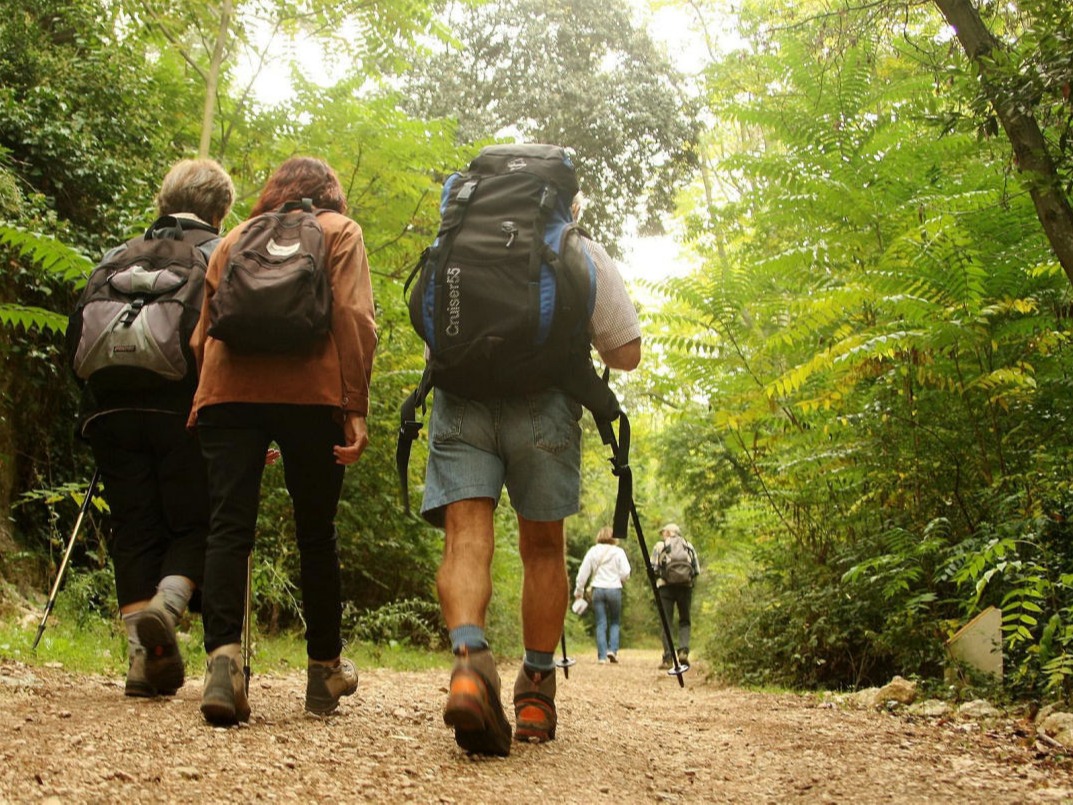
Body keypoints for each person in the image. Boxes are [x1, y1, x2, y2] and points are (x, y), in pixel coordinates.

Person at [420, 183, 642, 756]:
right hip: (544, 411)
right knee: (543, 547)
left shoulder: (456, 240)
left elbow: (430, 326)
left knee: (465, 540)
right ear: (567, 202)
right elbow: (625, 351)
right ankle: (537, 694)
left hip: (460, 403)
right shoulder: (576, 248)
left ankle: (469, 664)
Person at [189, 156, 377, 725]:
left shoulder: (236, 237)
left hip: (229, 391)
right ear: (331, 194)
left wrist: (215, 400)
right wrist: (355, 407)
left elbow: (203, 333)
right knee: (316, 531)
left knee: (227, 524)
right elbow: (353, 319)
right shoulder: (340, 231)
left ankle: (222, 663)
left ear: (274, 193)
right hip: (313, 394)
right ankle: (323, 672)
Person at [73, 159, 234, 698]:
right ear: (220, 210)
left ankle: (145, 662)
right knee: (203, 522)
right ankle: (166, 606)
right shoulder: (217, 252)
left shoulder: (116, 256)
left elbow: (77, 331)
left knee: (135, 528)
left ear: (164, 202)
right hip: (184, 407)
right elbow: (228, 337)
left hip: (110, 408)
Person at [573, 526, 631, 663]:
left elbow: (583, 572)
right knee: (615, 621)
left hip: (598, 589)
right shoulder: (618, 552)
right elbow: (626, 572)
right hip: (614, 589)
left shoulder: (593, 551)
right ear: (614, 538)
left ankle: (602, 656)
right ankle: (613, 650)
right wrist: (619, 579)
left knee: (600, 622)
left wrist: (579, 591)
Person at [650, 523, 700, 669]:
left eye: (663, 532)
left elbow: (653, 567)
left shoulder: (660, 546)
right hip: (685, 587)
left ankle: (668, 658)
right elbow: (696, 570)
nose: (662, 535)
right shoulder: (688, 546)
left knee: (667, 622)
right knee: (684, 620)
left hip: (665, 587)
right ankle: (683, 650)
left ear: (668, 533)